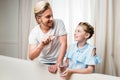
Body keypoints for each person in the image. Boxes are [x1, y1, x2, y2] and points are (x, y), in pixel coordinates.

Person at [28, 1, 67, 73]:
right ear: (38, 18)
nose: (52, 19)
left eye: (52, 15)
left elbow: (63, 44)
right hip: (42, 64)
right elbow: (31, 56)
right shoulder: (34, 33)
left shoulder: (59, 23)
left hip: (59, 61)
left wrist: (57, 64)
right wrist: (41, 45)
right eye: (48, 17)